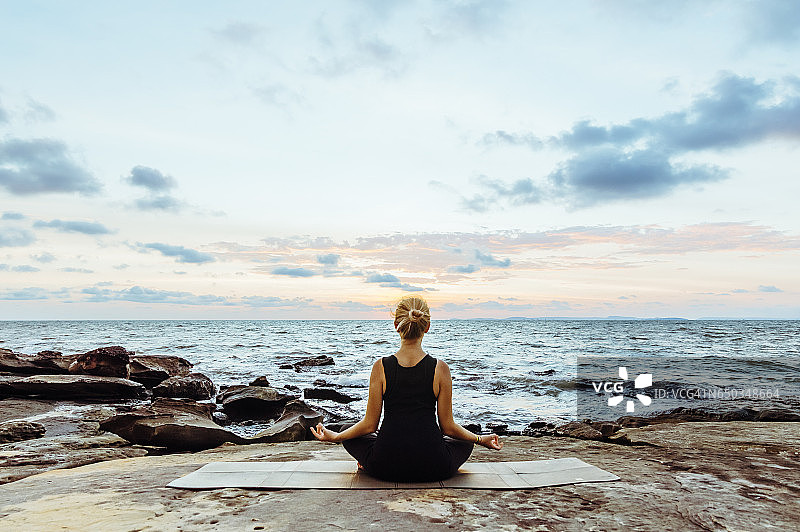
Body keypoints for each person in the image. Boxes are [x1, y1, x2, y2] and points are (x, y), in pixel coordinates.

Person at [310, 295, 503, 482]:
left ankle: (366, 463)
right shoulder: (440, 369)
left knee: (347, 429)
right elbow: (448, 427)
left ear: (396, 325)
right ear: (427, 327)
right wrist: (480, 439)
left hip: (385, 466)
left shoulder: (380, 367)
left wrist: (336, 437)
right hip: (435, 467)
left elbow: (370, 425)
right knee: (465, 437)